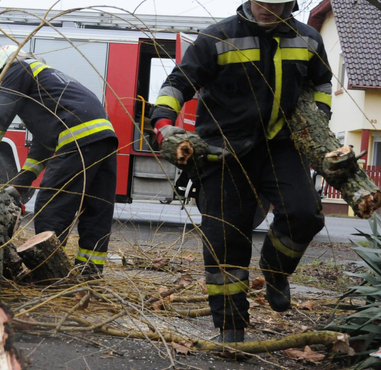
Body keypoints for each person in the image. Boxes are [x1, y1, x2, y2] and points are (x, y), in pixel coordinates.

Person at [148, 0, 332, 343]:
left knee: (304, 214)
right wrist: (162, 122)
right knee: (225, 239)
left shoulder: (308, 39)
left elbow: (321, 84)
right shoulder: (217, 38)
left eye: (276, 4)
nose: (267, 9)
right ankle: (231, 325)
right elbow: (178, 82)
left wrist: (317, 124)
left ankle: (276, 271)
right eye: (262, 2)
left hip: (281, 146)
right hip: (222, 150)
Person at [0, 45, 118, 276]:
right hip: (105, 137)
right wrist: (20, 185)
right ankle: (89, 271)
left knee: (52, 204)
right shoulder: (46, 84)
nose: (0, 82)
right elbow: (42, 148)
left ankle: (47, 271)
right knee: (97, 206)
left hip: (78, 136)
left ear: (3, 68)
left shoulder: (18, 69)